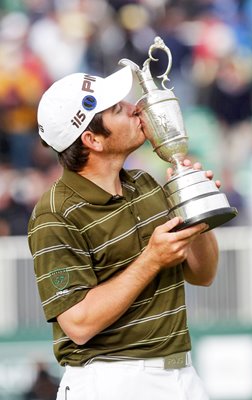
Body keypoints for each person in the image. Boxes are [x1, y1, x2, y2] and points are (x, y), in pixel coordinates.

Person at [28, 64, 219, 400]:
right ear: (92, 140)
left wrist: (196, 211)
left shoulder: (145, 184)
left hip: (182, 375)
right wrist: (152, 259)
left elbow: (204, 274)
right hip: (111, 381)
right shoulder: (53, 214)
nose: (135, 109)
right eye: (118, 109)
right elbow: (79, 323)